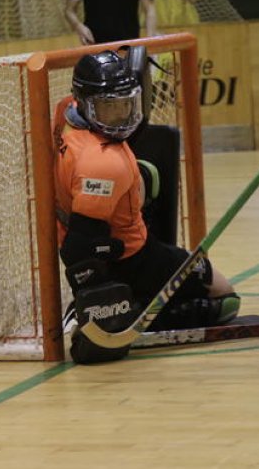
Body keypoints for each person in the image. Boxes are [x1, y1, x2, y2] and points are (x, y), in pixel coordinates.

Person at [54, 48, 238, 364]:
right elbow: (78, 249)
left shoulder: (65, 115)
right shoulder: (102, 164)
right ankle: (136, 311)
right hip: (134, 257)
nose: (122, 118)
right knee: (227, 300)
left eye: (127, 106)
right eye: (110, 109)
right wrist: (96, 297)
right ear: (87, 104)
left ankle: (134, 300)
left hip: (112, 236)